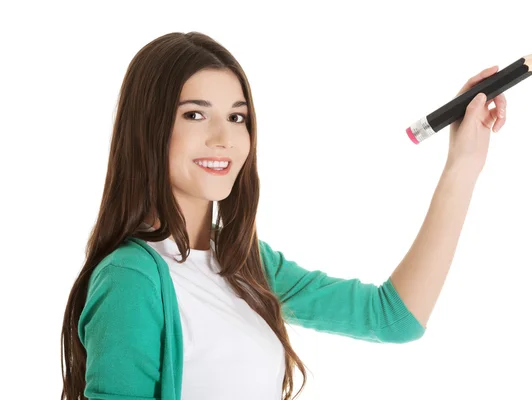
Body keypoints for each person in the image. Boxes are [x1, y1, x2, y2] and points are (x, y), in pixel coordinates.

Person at [60, 31, 507, 400]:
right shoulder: (131, 278)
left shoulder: (242, 261)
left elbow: (393, 318)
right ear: (149, 128)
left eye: (238, 118)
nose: (224, 138)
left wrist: (463, 163)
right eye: (195, 114)